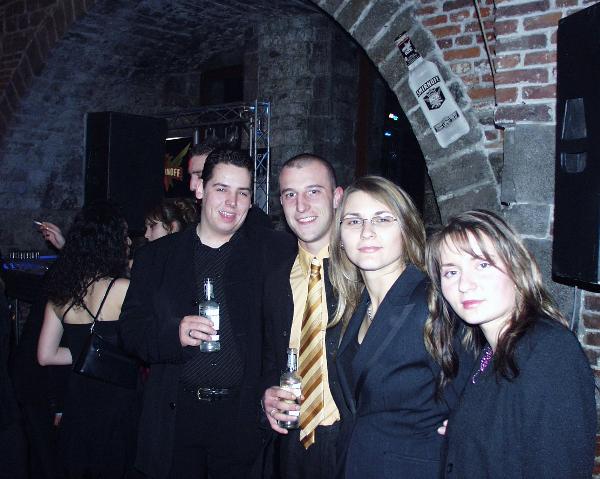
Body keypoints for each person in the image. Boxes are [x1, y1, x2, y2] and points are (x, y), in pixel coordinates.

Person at [119, 148, 294, 479]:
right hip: (176, 418)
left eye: (242, 193)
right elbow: (130, 331)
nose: (232, 202)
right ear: (200, 189)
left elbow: (279, 337)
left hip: (241, 421)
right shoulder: (157, 258)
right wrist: (174, 333)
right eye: (221, 189)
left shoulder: (271, 254)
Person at [425, 209, 596, 478]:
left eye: (482, 265)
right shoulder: (490, 351)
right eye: (451, 272)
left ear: (516, 268)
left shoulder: (549, 351)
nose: (465, 285)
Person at [329, 176, 471, 479]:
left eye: (382, 219)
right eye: (353, 221)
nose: (367, 231)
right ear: (340, 237)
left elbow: (476, 394)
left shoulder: (432, 302)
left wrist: (468, 429)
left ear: (406, 230)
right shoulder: (357, 305)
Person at [36, 201, 137, 479]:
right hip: (119, 404)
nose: (129, 241)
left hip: (78, 406)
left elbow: (45, 356)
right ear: (110, 242)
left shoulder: (61, 293)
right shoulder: (123, 288)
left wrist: (84, 351)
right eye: (123, 235)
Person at [261, 154, 346, 479]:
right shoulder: (275, 279)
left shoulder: (364, 273)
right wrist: (266, 394)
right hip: (291, 442)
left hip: (349, 440)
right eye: (290, 194)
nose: (301, 206)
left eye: (313, 191)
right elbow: (269, 358)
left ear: (336, 197)